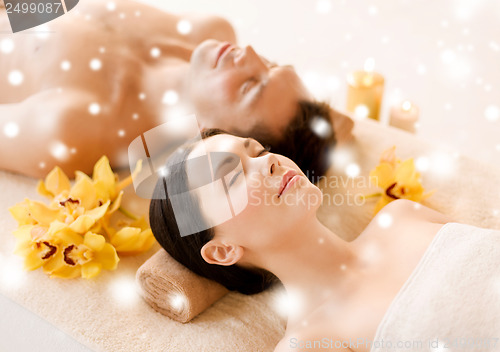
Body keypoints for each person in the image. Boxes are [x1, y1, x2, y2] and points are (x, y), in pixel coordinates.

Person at [149, 129, 457, 352]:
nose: (269, 162)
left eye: (259, 150)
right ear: (223, 250)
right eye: (232, 177)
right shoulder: (312, 343)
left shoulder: (403, 217)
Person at [0, 0, 353, 180]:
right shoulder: (207, 32)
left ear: (215, 141)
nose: (246, 54)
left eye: (249, 86)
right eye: (271, 65)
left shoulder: (75, 127)